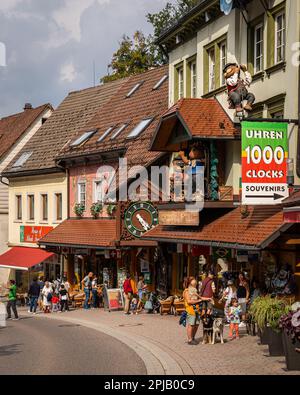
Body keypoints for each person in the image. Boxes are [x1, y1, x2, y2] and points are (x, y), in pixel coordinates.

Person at [183, 278, 202, 345]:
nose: (195, 282)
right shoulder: (186, 291)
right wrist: (198, 301)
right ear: (190, 283)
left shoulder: (194, 290)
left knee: (196, 324)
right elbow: (189, 301)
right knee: (191, 325)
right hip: (190, 310)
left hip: (197, 310)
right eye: (193, 280)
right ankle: (190, 340)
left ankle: (193, 337)